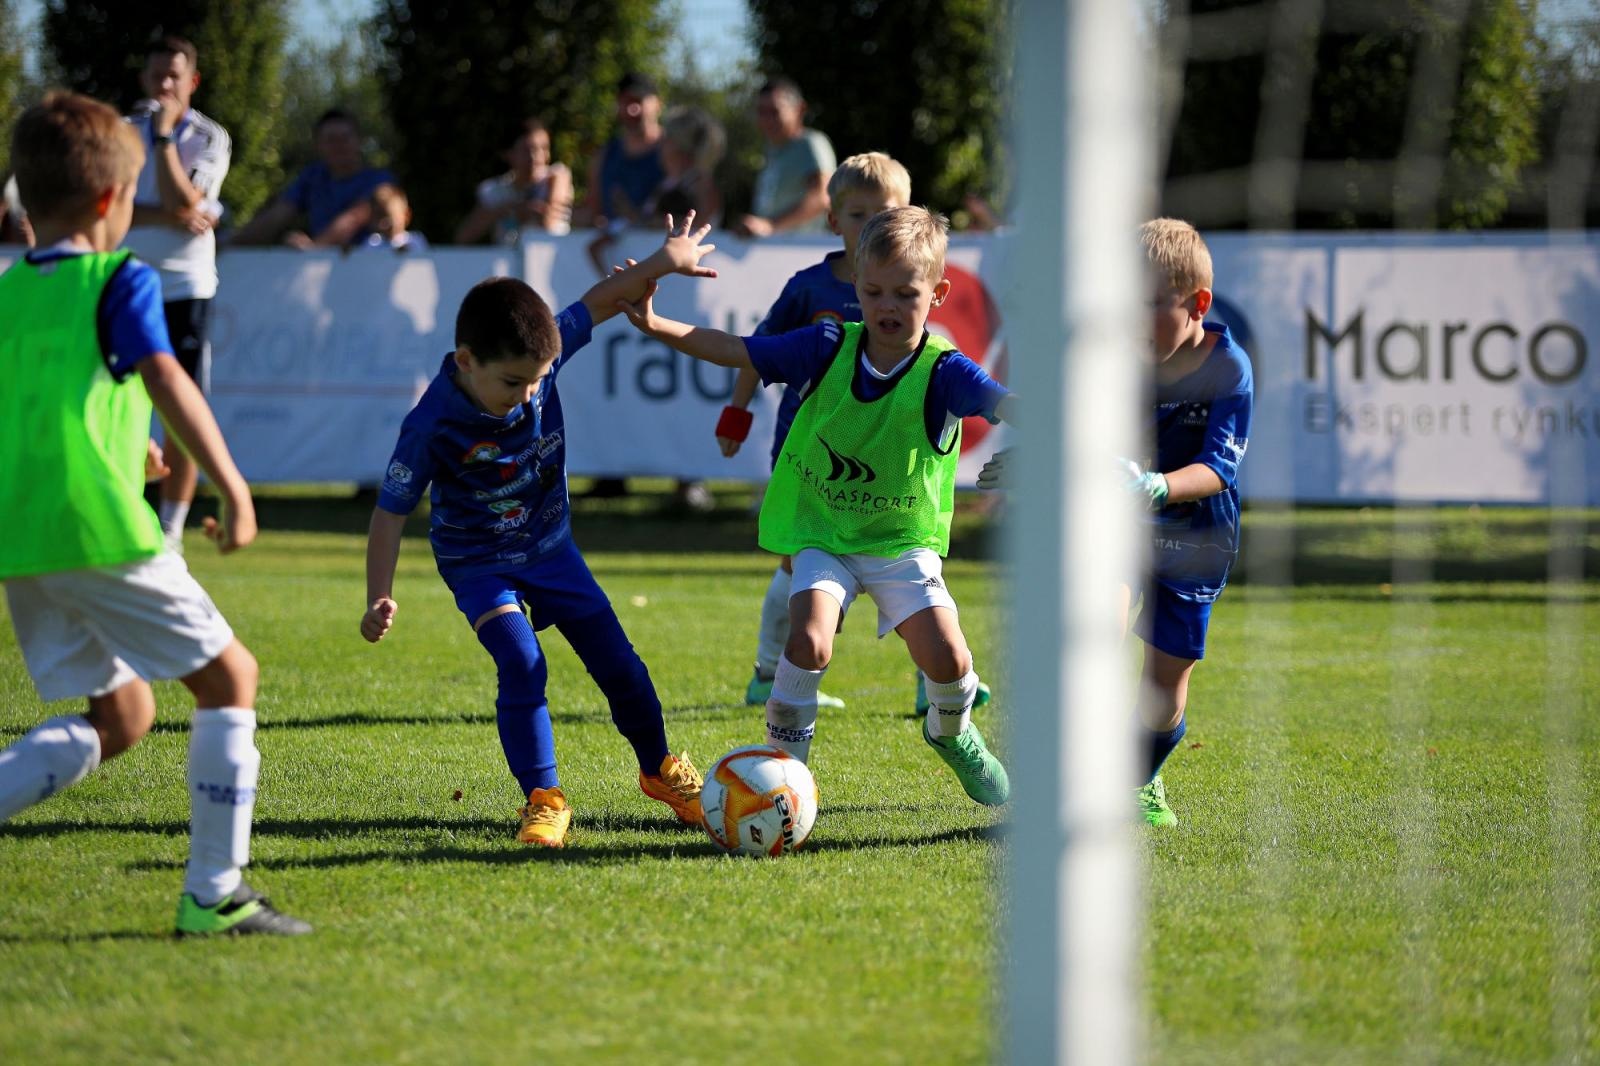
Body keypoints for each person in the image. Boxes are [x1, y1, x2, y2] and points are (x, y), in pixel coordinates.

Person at [0, 92, 309, 936]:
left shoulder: (6, 291)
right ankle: (214, 893)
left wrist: (124, 438)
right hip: (99, 528)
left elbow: (48, 394)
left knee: (124, 717)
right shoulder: (121, 277)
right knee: (230, 678)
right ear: (112, 203)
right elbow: (168, 377)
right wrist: (233, 488)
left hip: (22, 538)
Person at [619, 206, 1012, 806]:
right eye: (873, 290)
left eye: (905, 293)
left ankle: (951, 732)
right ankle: (785, 776)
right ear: (855, 285)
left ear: (939, 294)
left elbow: (1010, 406)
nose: (886, 305)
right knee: (809, 641)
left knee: (951, 658)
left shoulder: (945, 372)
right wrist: (655, 326)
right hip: (824, 531)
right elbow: (740, 350)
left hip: (900, 543)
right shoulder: (829, 343)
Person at [360, 212, 719, 848]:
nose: (528, 396)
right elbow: (391, 511)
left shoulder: (538, 362)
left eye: (536, 380)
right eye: (512, 383)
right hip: (479, 564)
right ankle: (544, 798)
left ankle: (660, 769)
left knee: (622, 667)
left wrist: (667, 259)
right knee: (522, 663)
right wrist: (379, 593)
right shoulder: (429, 425)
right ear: (466, 362)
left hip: (552, 550)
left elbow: (598, 302)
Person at [975, 218, 1253, 828]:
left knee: (1161, 698)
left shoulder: (1229, 369)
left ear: (1197, 303)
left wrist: (1157, 485)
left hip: (1197, 539)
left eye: (1149, 304)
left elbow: (1218, 468)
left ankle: (1140, 779)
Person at [714, 152, 993, 718]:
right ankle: (770, 671)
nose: (872, 224)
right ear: (832, 220)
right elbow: (759, 348)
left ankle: (931, 680)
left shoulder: (908, 289)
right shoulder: (808, 286)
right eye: (858, 213)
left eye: (884, 213)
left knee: (910, 562)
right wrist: (737, 413)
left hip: (889, 461)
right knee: (798, 564)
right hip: (810, 452)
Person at [123, 34, 232, 554]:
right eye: (156, 75)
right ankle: (127, 515)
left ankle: (170, 533)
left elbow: (184, 196)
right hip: (123, 282)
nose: (164, 85)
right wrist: (171, 210)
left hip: (186, 287)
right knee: (120, 403)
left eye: (174, 76)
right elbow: (110, 208)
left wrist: (164, 138)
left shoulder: (209, 136)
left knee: (180, 411)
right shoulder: (122, 133)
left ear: (193, 82)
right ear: (144, 79)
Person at [230, 108, 394, 248]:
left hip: (368, 269)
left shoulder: (379, 180)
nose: (339, 145)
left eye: (345, 138)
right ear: (318, 144)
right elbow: (278, 214)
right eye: (330, 140)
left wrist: (315, 248)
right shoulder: (312, 177)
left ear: (359, 141)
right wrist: (231, 242)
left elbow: (355, 217)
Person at [733, 77, 835, 238]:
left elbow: (822, 196)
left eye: (774, 112)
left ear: (799, 110)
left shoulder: (811, 143)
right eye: (761, 111)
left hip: (800, 251)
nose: (766, 120)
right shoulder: (772, 149)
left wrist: (770, 226)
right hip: (775, 250)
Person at [454, 117, 573, 245]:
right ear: (507, 153)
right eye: (527, 150)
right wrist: (507, 211)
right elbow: (463, 237)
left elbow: (549, 223)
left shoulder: (557, 176)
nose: (537, 157)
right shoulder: (495, 189)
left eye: (543, 148)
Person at [579, 72, 665, 231]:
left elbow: (696, 215)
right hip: (615, 254)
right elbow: (593, 212)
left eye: (638, 101)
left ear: (658, 104)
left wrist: (636, 219)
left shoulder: (677, 152)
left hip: (663, 253)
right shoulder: (604, 156)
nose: (632, 110)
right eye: (625, 101)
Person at [646, 106, 725, 227]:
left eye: (667, 138)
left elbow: (700, 226)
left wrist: (656, 224)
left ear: (679, 144)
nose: (661, 143)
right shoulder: (667, 183)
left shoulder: (701, 185)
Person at [355, 183, 429, 253]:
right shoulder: (372, 244)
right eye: (378, 217)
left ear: (406, 216)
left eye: (387, 217)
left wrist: (407, 253)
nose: (382, 223)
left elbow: (423, 260)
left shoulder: (415, 241)